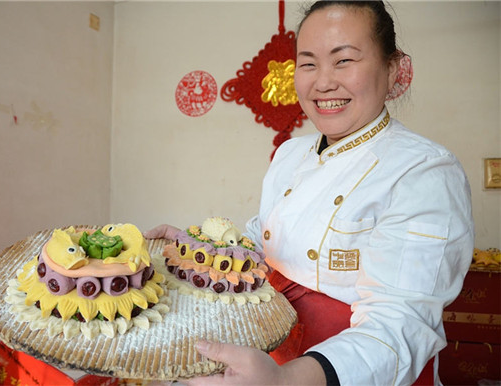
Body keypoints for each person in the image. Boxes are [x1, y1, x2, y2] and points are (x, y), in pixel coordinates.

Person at [145, 1, 474, 384]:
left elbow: (399, 325)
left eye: (344, 60)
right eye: (308, 63)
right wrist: (199, 247)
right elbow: (262, 239)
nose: (323, 82)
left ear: (392, 68)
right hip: (271, 355)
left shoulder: (424, 170)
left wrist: (287, 380)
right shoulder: (290, 154)